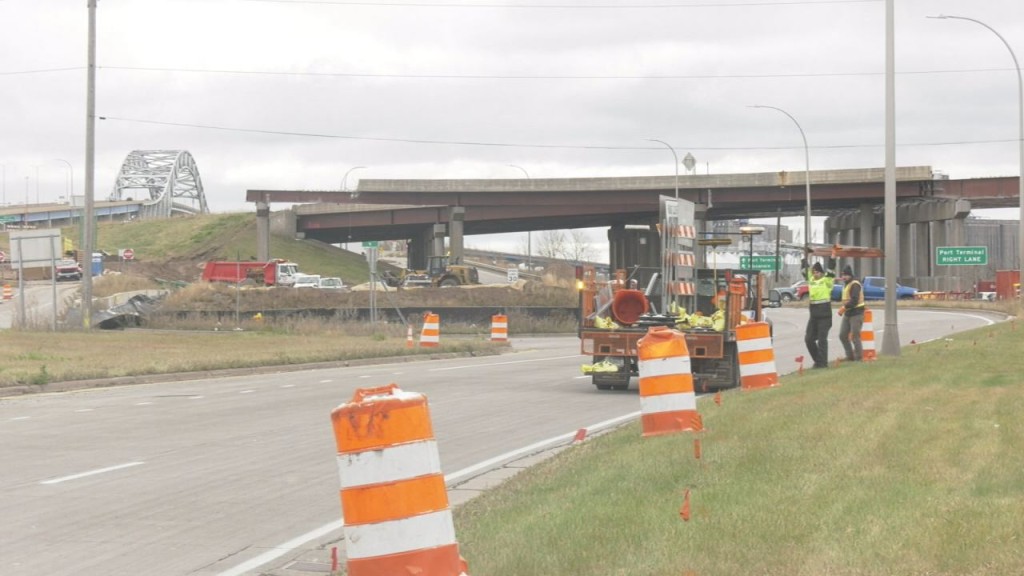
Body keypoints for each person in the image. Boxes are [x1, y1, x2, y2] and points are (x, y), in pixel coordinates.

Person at [801, 252, 836, 368]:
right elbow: (804, 270)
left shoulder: (827, 281)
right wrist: (805, 256)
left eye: (817, 272)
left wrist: (832, 256)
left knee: (822, 340)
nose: (815, 274)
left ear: (821, 273)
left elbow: (831, 269)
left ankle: (822, 364)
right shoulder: (811, 280)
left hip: (825, 315)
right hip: (814, 315)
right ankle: (818, 360)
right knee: (808, 339)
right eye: (814, 272)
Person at [837, 265, 866, 361]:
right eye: (842, 275)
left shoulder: (855, 284)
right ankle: (850, 357)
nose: (843, 277)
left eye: (845, 275)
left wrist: (844, 308)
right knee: (842, 335)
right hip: (848, 313)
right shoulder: (846, 284)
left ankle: (858, 357)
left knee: (855, 336)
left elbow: (854, 300)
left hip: (857, 313)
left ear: (850, 275)